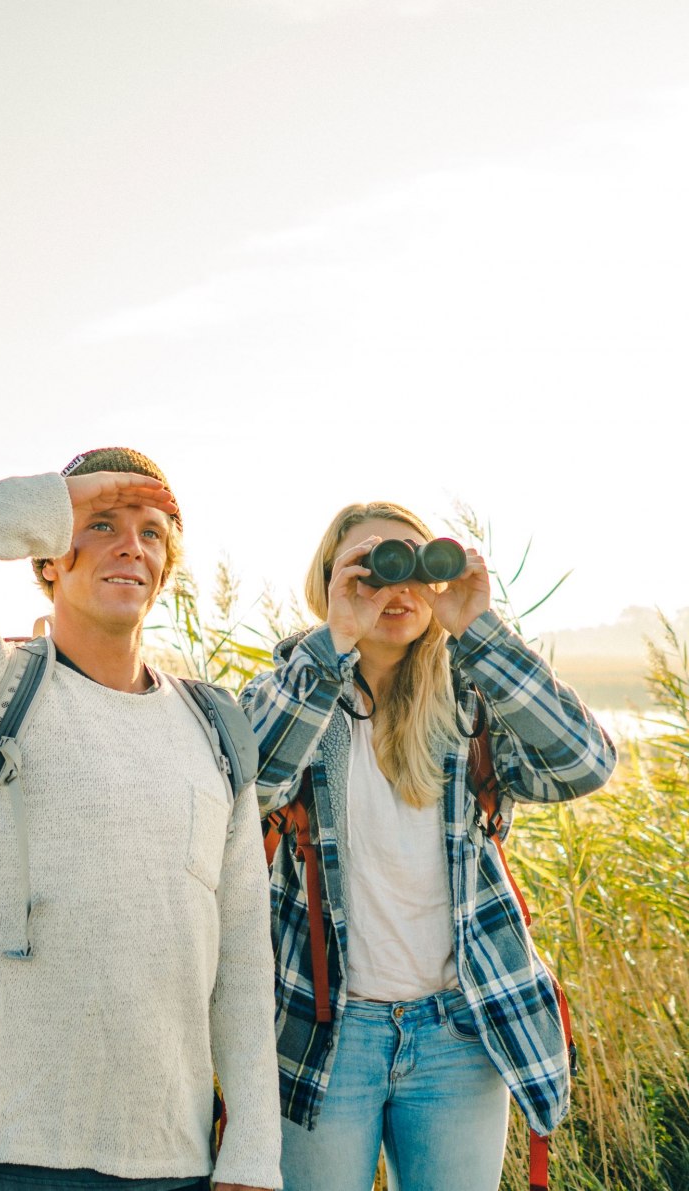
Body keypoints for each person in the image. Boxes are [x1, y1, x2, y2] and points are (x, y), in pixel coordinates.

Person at [0, 448, 282, 1191]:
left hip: (174, 1161)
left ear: (165, 566)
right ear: (47, 557)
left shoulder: (215, 724)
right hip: (11, 1153)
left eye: (149, 531)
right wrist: (50, 500)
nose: (127, 546)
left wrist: (253, 1156)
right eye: (99, 523)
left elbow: (240, 956)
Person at [240, 501, 616, 1191]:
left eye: (415, 565)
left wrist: (478, 628)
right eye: (372, 566)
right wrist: (337, 640)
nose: (397, 587)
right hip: (327, 1030)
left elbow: (585, 761)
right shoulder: (291, 690)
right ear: (329, 583)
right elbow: (245, 785)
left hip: (458, 1032)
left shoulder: (471, 706)